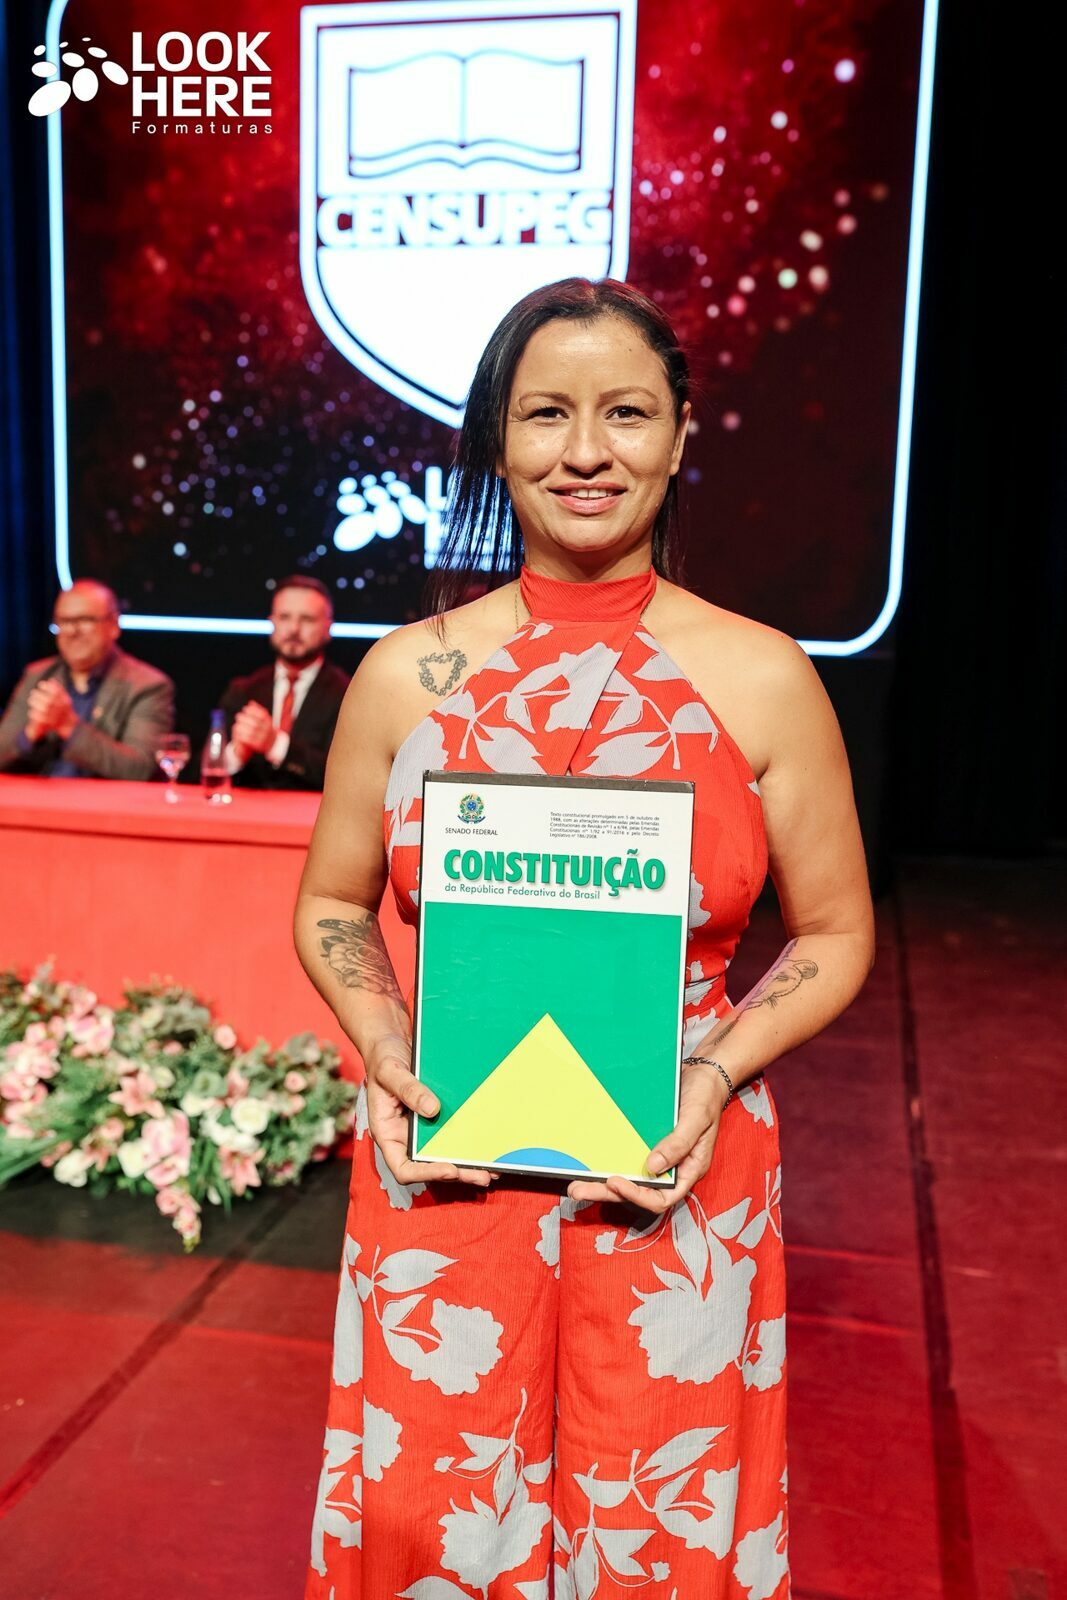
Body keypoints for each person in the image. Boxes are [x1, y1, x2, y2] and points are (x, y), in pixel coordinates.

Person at [294, 279, 875, 1598]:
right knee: (432, 1528)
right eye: (544, 414)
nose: (584, 451)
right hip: (445, 1159)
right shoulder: (405, 675)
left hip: (675, 1162)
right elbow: (331, 903)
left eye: (625, 413)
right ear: (497, 443)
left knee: (656, 1533)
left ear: (679, 436)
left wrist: (712, 1072)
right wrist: (383, 1041)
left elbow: (834, 934)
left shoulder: (761, 676)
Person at [0, 580, 174, 780]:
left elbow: (140, 769)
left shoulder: (147, 685)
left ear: (113, 625)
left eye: (84, 620)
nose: (72, 631)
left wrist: (69, 726)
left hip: (105, 799)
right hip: (38, 796)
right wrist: (30, 733)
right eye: (64, 621)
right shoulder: (37, 676)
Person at [218, 576, 349, 790]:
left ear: (328, 627)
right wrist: (236, 754)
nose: (294, 629)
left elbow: (347, 776)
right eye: (285, 617)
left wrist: (276, 744)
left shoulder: (347, 695)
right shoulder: (243, 690)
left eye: (307, 619)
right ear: (272, 622)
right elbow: (199, 770)